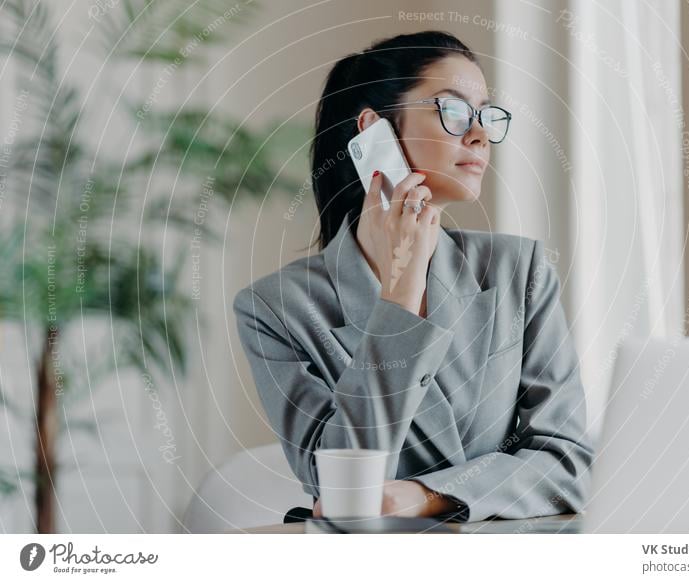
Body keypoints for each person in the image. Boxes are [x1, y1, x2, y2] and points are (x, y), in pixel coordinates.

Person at [234, 30, 594, 523]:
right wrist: (400, 296)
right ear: (373, 131)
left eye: (485, 114)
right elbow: (335, 485)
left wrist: (427, 495)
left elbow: (568, 464)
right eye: (452, 110)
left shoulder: (519, 272)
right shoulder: (277, 308)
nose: (479, 135)